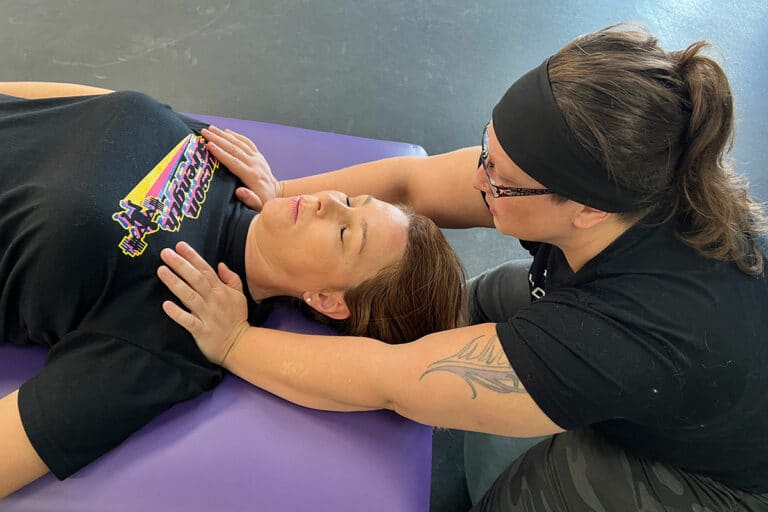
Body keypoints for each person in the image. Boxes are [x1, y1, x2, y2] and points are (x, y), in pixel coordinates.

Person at [158, 24, 768, 511]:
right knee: (484, 298)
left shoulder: (618, 334)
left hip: (724, 474)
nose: (480, 180)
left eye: (499, 179)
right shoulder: (635, 176)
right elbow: (409, 183)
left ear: (584, 210)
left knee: (530, 492)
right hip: (675, 356)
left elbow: (390, 380)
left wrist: (234, 340)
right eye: (487, 149)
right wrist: (276, 201)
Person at [0, 84, 467, 499]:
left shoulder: (180, 325)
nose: (327, 199)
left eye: (346, 233)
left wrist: (233, 341)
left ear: (328, 299)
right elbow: (84, 105)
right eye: (349, 200)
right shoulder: (232, 163)